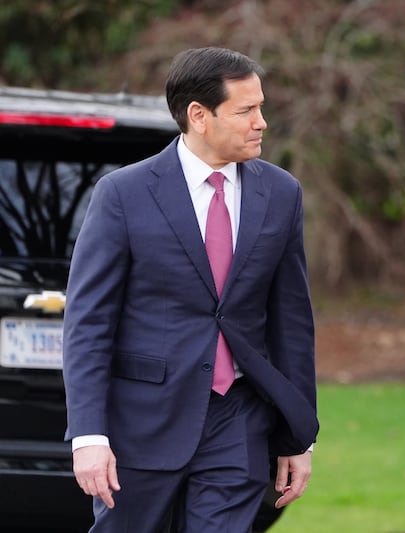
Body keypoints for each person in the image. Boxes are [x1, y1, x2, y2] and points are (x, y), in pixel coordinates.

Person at [62, 47, 318, 532]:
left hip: (239, 419)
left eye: (261, 107)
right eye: (246, 111)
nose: (261, 122)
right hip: (140, 427)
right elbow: (89, 323)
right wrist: (89, 434)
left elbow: (293, 323)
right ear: (199, 116)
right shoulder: (123, 194)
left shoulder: (282, 194)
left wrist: (299, 436)